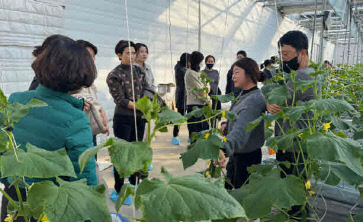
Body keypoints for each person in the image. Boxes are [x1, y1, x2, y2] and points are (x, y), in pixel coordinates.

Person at [2, 35, 98, 221]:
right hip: (49, 206)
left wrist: (7, 180)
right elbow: (84, 180)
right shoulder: (76, 119)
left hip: (14, 198)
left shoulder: (15, 100)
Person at [266, 30, 315, 219]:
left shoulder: (301, 76)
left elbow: (274, 102)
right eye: (281, 56)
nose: (284, 60)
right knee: (299, 191)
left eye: (286, 55)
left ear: (302, 53)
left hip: (292, 145)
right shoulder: (311, 73)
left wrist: (270, 100)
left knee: (292, 195)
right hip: (302, 142)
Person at [107, 40, 147, 205]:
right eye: (127, 53)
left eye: (133, 53)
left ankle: (133, 185)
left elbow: (146, 89)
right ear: (119, 55)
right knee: (122, 155)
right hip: (124, 118)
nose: (131, 56)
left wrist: (149, 104)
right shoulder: (114, 75)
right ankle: (118, 189)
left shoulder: (139, 71)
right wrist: (139, 106)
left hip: (139, 117)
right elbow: (120, 99)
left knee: (136, 152)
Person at [219, 58, 266, 190]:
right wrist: (227, 125)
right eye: (232, 73)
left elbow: (241, 130)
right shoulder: (243, 95)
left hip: (247, 159)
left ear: (249, 74)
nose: (233, 76)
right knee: (230, 191)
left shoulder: (254, 100)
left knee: (242, 198)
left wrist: (223, 148)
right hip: (237, 154)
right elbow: (237, 117)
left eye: (236, 72)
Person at [72, 40, 109, 146]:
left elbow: (94, 99)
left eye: (93, 57)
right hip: (77, 130)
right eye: (88, 56)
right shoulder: (68, 78)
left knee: (91, 156)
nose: (91, 60)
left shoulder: (88, 77)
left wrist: (102, 114)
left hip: (89, 129)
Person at [185, 51, 210, 141]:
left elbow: (207, 87)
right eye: (201, 61)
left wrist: (206, 94)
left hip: (202, 104)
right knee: (195, 131)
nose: (202, 63)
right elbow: (200, 91)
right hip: (194, 105)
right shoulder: (190, 73)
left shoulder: (200, 73)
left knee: (203, 131)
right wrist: (208, 99)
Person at [172, 52, 191, 145]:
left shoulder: (183, 68)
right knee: (180, 116)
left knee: (190, 117)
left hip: (187, 95)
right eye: (189, 61)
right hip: (181, 95)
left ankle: (191, 136)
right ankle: (175, 135)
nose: (190, 63)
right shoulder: (179, 68)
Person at [203, 55, 222, 126]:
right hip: (207, 95)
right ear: (205, 62)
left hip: (216, 93)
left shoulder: (216, 72)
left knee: (215, 114)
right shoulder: (202, 72)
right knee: (207, 114)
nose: (210, 63)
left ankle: (214, 130)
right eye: (209, 61)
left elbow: (216, 83)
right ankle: (206, 130)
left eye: (212, 61)